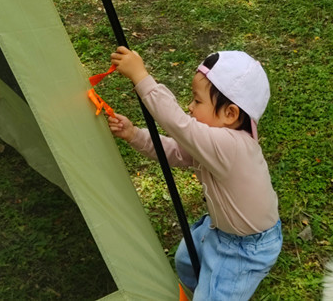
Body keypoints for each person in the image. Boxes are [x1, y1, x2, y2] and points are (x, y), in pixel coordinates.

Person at [108, 46, 282, 300]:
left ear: (230, 114)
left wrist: (141, 77)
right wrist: (135, 135)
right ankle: (202, 287)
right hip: (221, 230)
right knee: (186, 260)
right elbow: (176, 151)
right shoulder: (214, 145)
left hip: (245, 249)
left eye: (197, 101)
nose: (189, 107)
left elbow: (179, 125)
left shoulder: (230, 147)